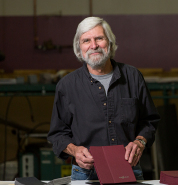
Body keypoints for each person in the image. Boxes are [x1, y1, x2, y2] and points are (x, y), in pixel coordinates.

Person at [47, 17, 160, 180]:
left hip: (129, 169)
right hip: (85, 174)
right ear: (79, 48)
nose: (93, 46)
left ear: (110, 42)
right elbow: (57, 134)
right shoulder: (67, 86)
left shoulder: (133, 77)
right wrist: (75, 151)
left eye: (99, 38)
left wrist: (140, 142)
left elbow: (149, 121)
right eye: (86, 40)